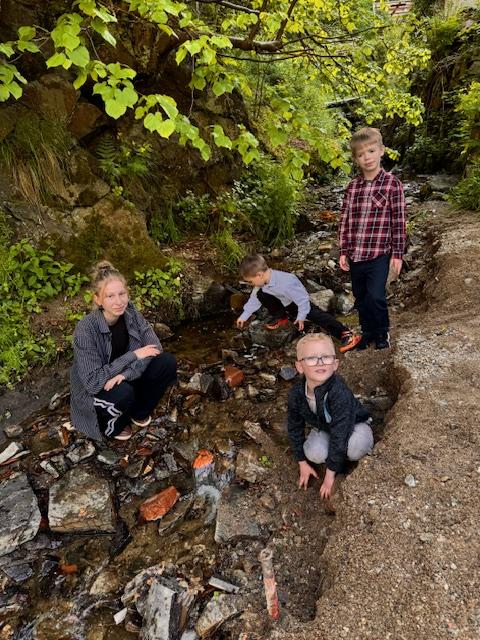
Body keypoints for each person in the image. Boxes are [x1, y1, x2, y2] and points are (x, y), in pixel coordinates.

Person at [70, 261, 177, 441]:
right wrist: (133, 355)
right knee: (123, 392)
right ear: (98, 299)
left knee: (166, 362)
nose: (119, 302)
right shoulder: (86, 330)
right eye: (110, 296)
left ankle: (138, 412)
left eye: (122, 294)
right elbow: (93, 383)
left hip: (122, 376)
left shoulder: (130, 312)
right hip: (96, 388)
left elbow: (155, 348)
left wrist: (126, 374)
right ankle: (112, 427)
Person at [338, 127, 406, 350]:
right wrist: (343, 251)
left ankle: (382, 332)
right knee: (361, 297)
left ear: (381, 151)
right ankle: (367, 332)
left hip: (379, 254)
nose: (367, 157)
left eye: (371, 151)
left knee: (376, 296)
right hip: (356, 254)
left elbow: (399, 221)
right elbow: (345, 220)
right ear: (356, 159)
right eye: (361, 154)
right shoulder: (352, 188)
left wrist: (397, 254)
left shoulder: (392, 184)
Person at [287, 333, 373, 500]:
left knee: (355, 448)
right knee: (313, 453)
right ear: (299, 366)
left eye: (326, 357)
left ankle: (345, 464)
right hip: (325, 426)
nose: (320, 362)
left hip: (353, 424)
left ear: (335, 364)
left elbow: (341, 433)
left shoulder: (338, 392)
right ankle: (335, 458)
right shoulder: (296, 394)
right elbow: (294, 427)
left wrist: (329, 476)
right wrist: (302, 462)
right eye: (311, 358)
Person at [236, 254, 360, 353]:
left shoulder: (286, 282)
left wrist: (301, 316)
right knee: (260, 294)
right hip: (287, 303)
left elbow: (302, 300)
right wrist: (245, 315)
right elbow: (254, 298)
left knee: (317, 316)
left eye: (250, 281)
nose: (251, 284)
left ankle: (346, 334)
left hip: (300, 302)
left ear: (259, 275)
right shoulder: (262, 283)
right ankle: (281, 316)